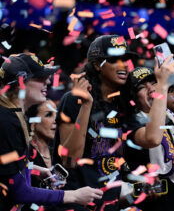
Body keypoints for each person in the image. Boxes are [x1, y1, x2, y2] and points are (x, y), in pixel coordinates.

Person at [0, 53, 103, 210]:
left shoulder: (10, 116)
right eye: (40, 78)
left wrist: (32, 169)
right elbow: (19, 192)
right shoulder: (6, 122)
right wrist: (72, 195)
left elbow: (6, 169)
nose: (48, 81)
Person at [53, 35, 140, 210]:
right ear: (96, 65)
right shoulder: (73, 100)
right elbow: (69, 159)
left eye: (126, 59)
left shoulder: (124, 105)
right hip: (78, 203)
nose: (123, 65)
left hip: (111, 204)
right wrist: (86, 105)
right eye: (115, 59)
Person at [123, 64, 174, 211]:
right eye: (142, 87)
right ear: (133, 98)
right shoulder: (130, 124)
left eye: (154, 82)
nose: (151, 89)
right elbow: (152, 138)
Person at [25, 100, 57, 187]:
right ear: (33, 124)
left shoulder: (59, 150)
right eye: (49, 115)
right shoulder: (25, 152)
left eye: (56, 114)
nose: (56, 120)